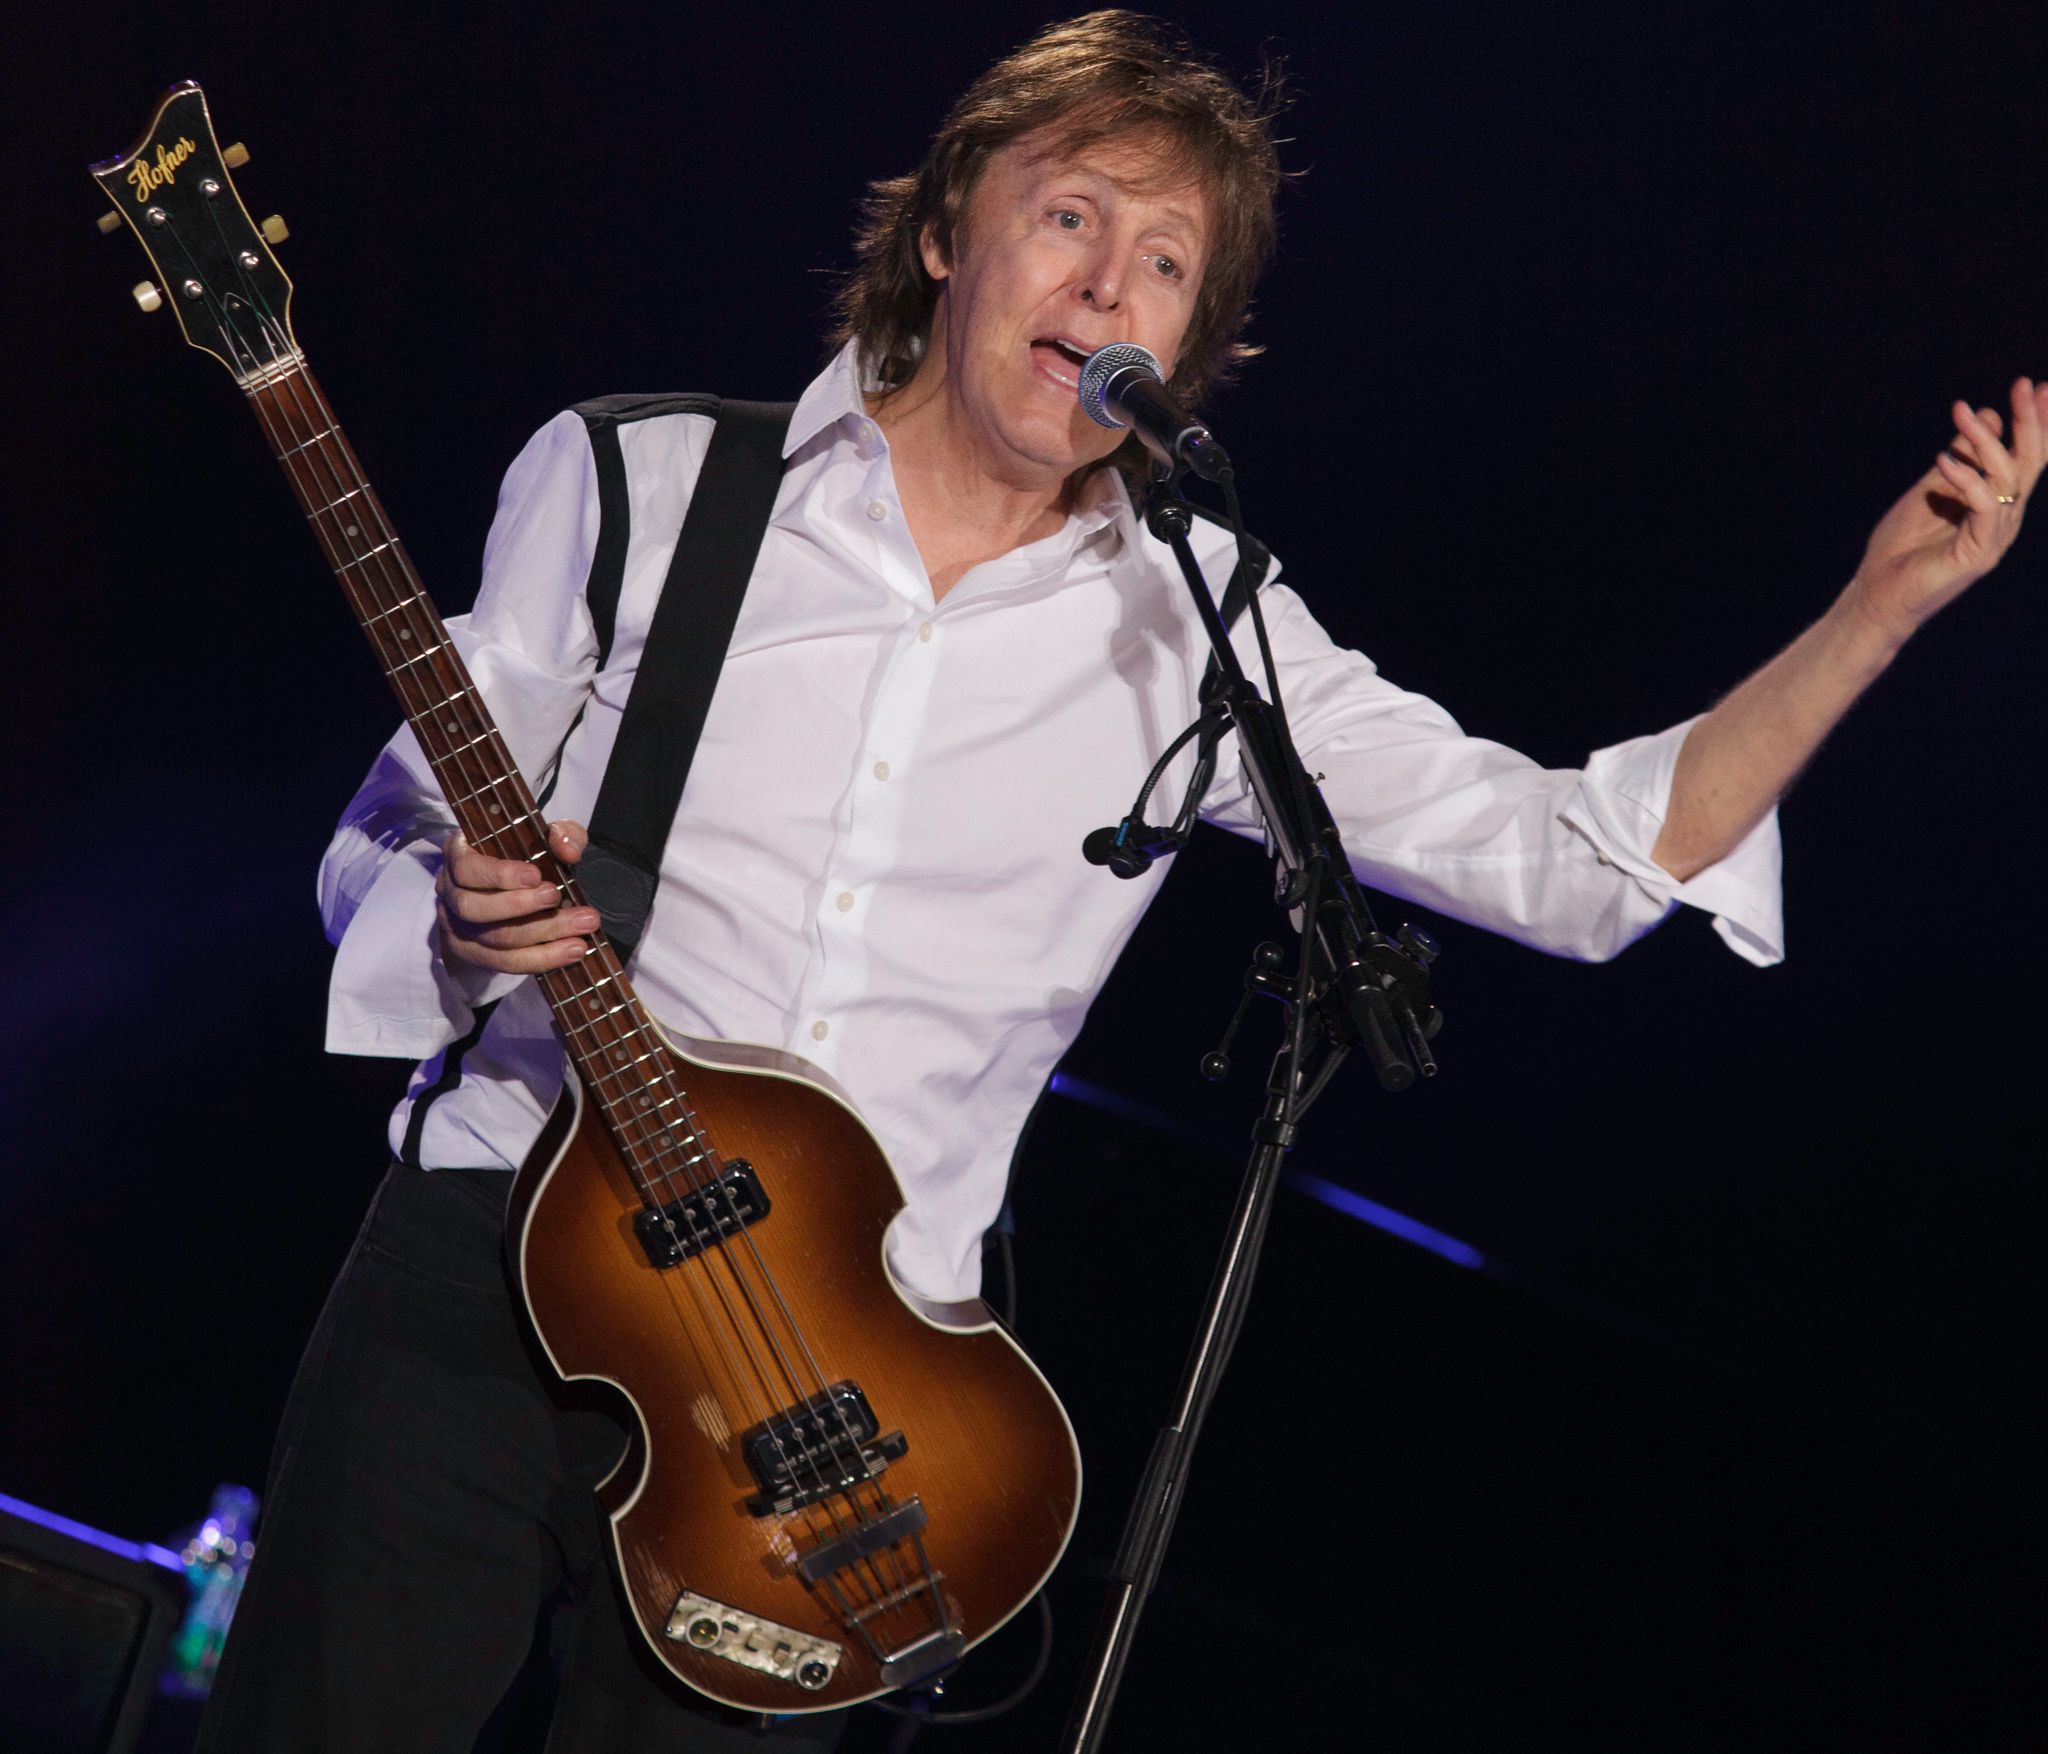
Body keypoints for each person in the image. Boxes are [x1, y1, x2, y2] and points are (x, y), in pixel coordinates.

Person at [197, 12, 2042, 1752]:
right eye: (1069, 216)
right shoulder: (641, 479)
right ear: (942, 236)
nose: (1106, 285)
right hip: (494, 1266)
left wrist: (1878, 610)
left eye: (1162, 260)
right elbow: (386, 829)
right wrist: (447, 905)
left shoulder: (1199, 619)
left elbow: (1567, 859)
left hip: (828, 1405)